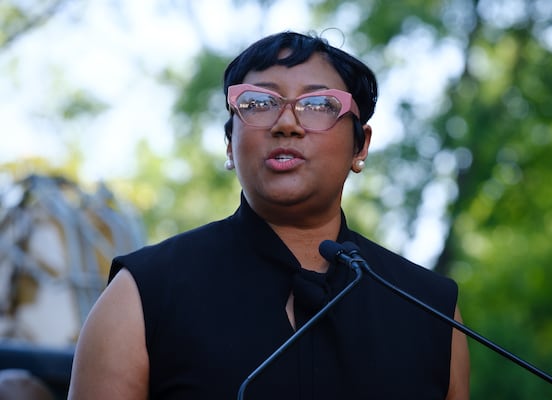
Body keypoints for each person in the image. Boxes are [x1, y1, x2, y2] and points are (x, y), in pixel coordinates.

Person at [67, 31, 470, 399]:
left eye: (317, 104)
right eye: (259, 103)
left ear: (360, 146)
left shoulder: (429, 308)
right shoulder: (141, 294)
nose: (287, 123)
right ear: (229, 144)